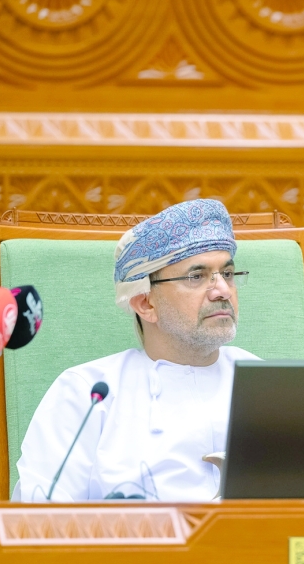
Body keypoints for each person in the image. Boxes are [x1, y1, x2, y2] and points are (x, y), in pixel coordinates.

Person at [13, 199, 258, 502]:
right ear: (145, 303)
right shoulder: (88, 394)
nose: (222, 290)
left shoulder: (265, 384)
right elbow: (39, 521)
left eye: (228, 274)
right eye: (197, 277)